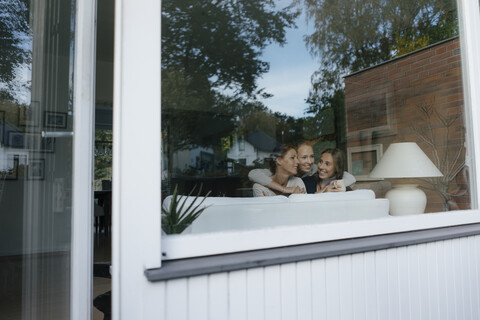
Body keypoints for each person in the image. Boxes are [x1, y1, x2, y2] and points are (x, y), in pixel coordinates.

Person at [248, 142, 355, 194]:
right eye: (304, 157)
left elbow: (349, 177)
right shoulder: (273, 172)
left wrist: (337, 185)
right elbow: (253, 174)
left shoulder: (312, 170)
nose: (309, 161)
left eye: (312, 156)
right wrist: (284, 189)